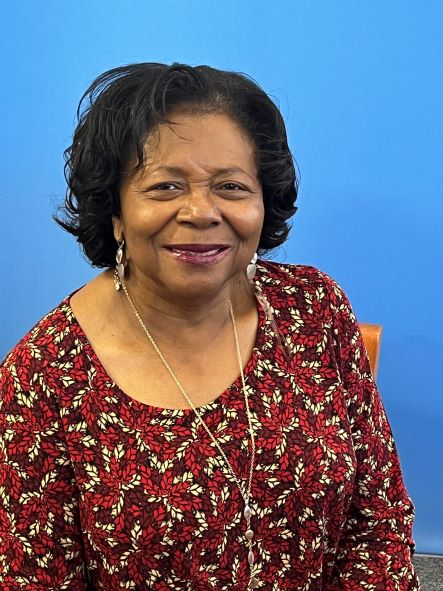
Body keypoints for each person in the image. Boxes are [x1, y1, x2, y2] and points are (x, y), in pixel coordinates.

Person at [0, 63, 420, 591]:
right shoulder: (42, 377)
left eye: (231, 186)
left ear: (263, 202)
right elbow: (34, 579)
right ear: (114, 211)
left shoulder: (314, 308)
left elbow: (378, 521)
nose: (201, 211)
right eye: (165, 186)